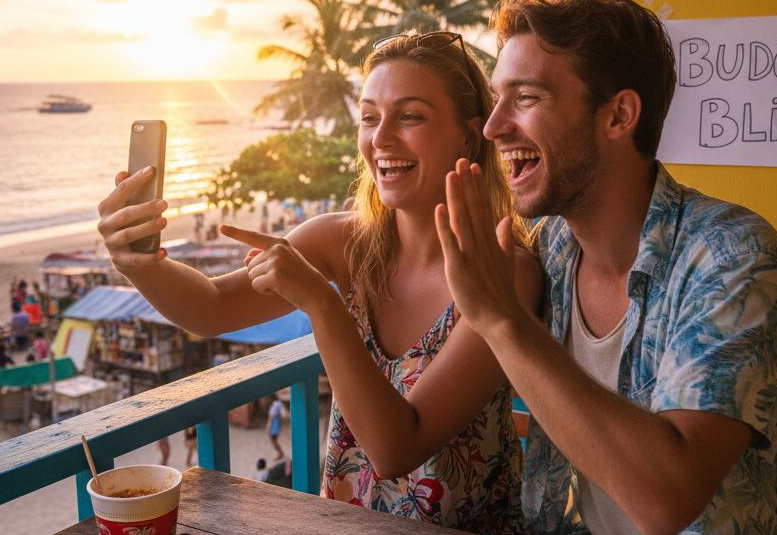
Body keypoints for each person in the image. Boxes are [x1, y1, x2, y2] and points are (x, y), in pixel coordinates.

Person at [96, 30, 542, 533]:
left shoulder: (505, 274)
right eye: (369, 118)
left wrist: (321, 304)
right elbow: (213, 307)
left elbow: (397, 448)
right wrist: (137, 262)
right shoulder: (342, 240)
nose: (381, 138)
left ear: (469, 135)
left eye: (410, 116)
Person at [435, 0, 777, 535]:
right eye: (497, 99)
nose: (493, 127)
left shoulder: (738, 261)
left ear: (619, 115)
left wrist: (503, 321)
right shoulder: (550, 247)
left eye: (526, 98)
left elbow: (667, 499)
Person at [266, 394, 285, 461]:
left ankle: (280, 453)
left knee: (273, 440)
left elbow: (271, 417)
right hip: (277, 422)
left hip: (274, 424)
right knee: (274, 439)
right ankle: (280, 453)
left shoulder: (274, 405)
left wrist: (268, 427)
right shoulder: (279, 403)